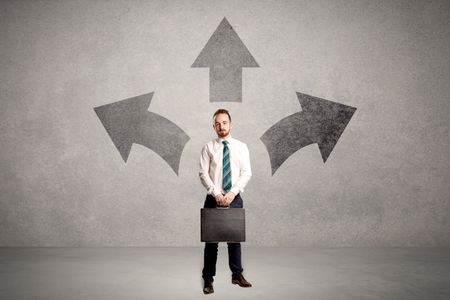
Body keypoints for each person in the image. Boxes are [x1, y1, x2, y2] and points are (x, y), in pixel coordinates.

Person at [199, 108, 252, 294]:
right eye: (217, 123)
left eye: (224, 122)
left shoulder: (241, 147)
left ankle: (237, 275)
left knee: (234, 239)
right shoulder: (208, 147)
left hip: (234, 197)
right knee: (211, 243)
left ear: (231, 124)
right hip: (213, 198)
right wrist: (216, 193)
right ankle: (208, 279)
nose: (221, 126)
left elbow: (246, 173)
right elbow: (203, 173)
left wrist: (232, 193)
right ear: (213, 126)